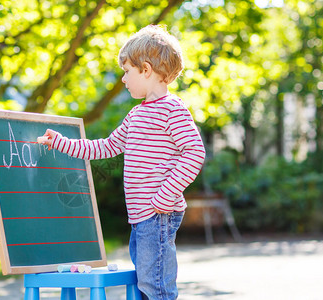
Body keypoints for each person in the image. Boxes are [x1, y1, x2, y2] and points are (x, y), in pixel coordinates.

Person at [40, 24, 205, 299]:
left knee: (157, 288)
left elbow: (195, 152)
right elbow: (106, 146)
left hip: (158, 214)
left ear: (146, 69)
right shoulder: (136, 115)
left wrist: (164, 196)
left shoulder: (173, 109)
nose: (123, 79)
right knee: (145, 284)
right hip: (142, 217)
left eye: (127, 71)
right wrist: (60, 142)